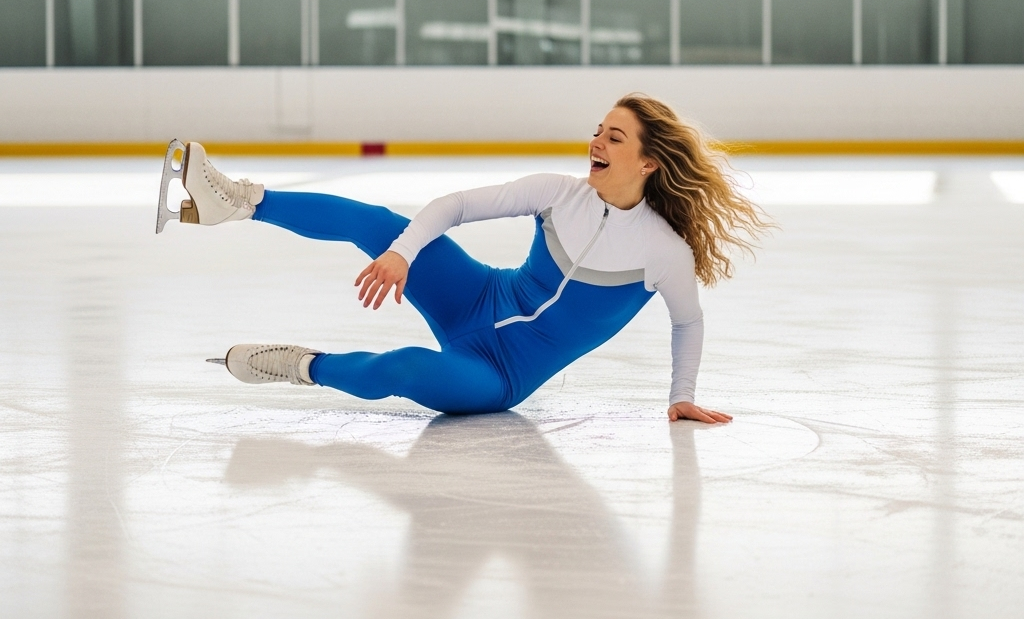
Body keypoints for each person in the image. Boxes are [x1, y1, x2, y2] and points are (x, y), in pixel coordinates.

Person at [161, 93, 766, 423]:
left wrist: (680, 394)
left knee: (404, 367)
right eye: (598, 130)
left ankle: (296, 365)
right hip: (478, 295)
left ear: (649, 161)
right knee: (378, 224)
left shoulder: (664, 252)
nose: (596, 142)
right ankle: (235, 201)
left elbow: (688, 320)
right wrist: (401, 254)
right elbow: (454, 206)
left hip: (500, 374)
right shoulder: (559, 193)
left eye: (615, 137)